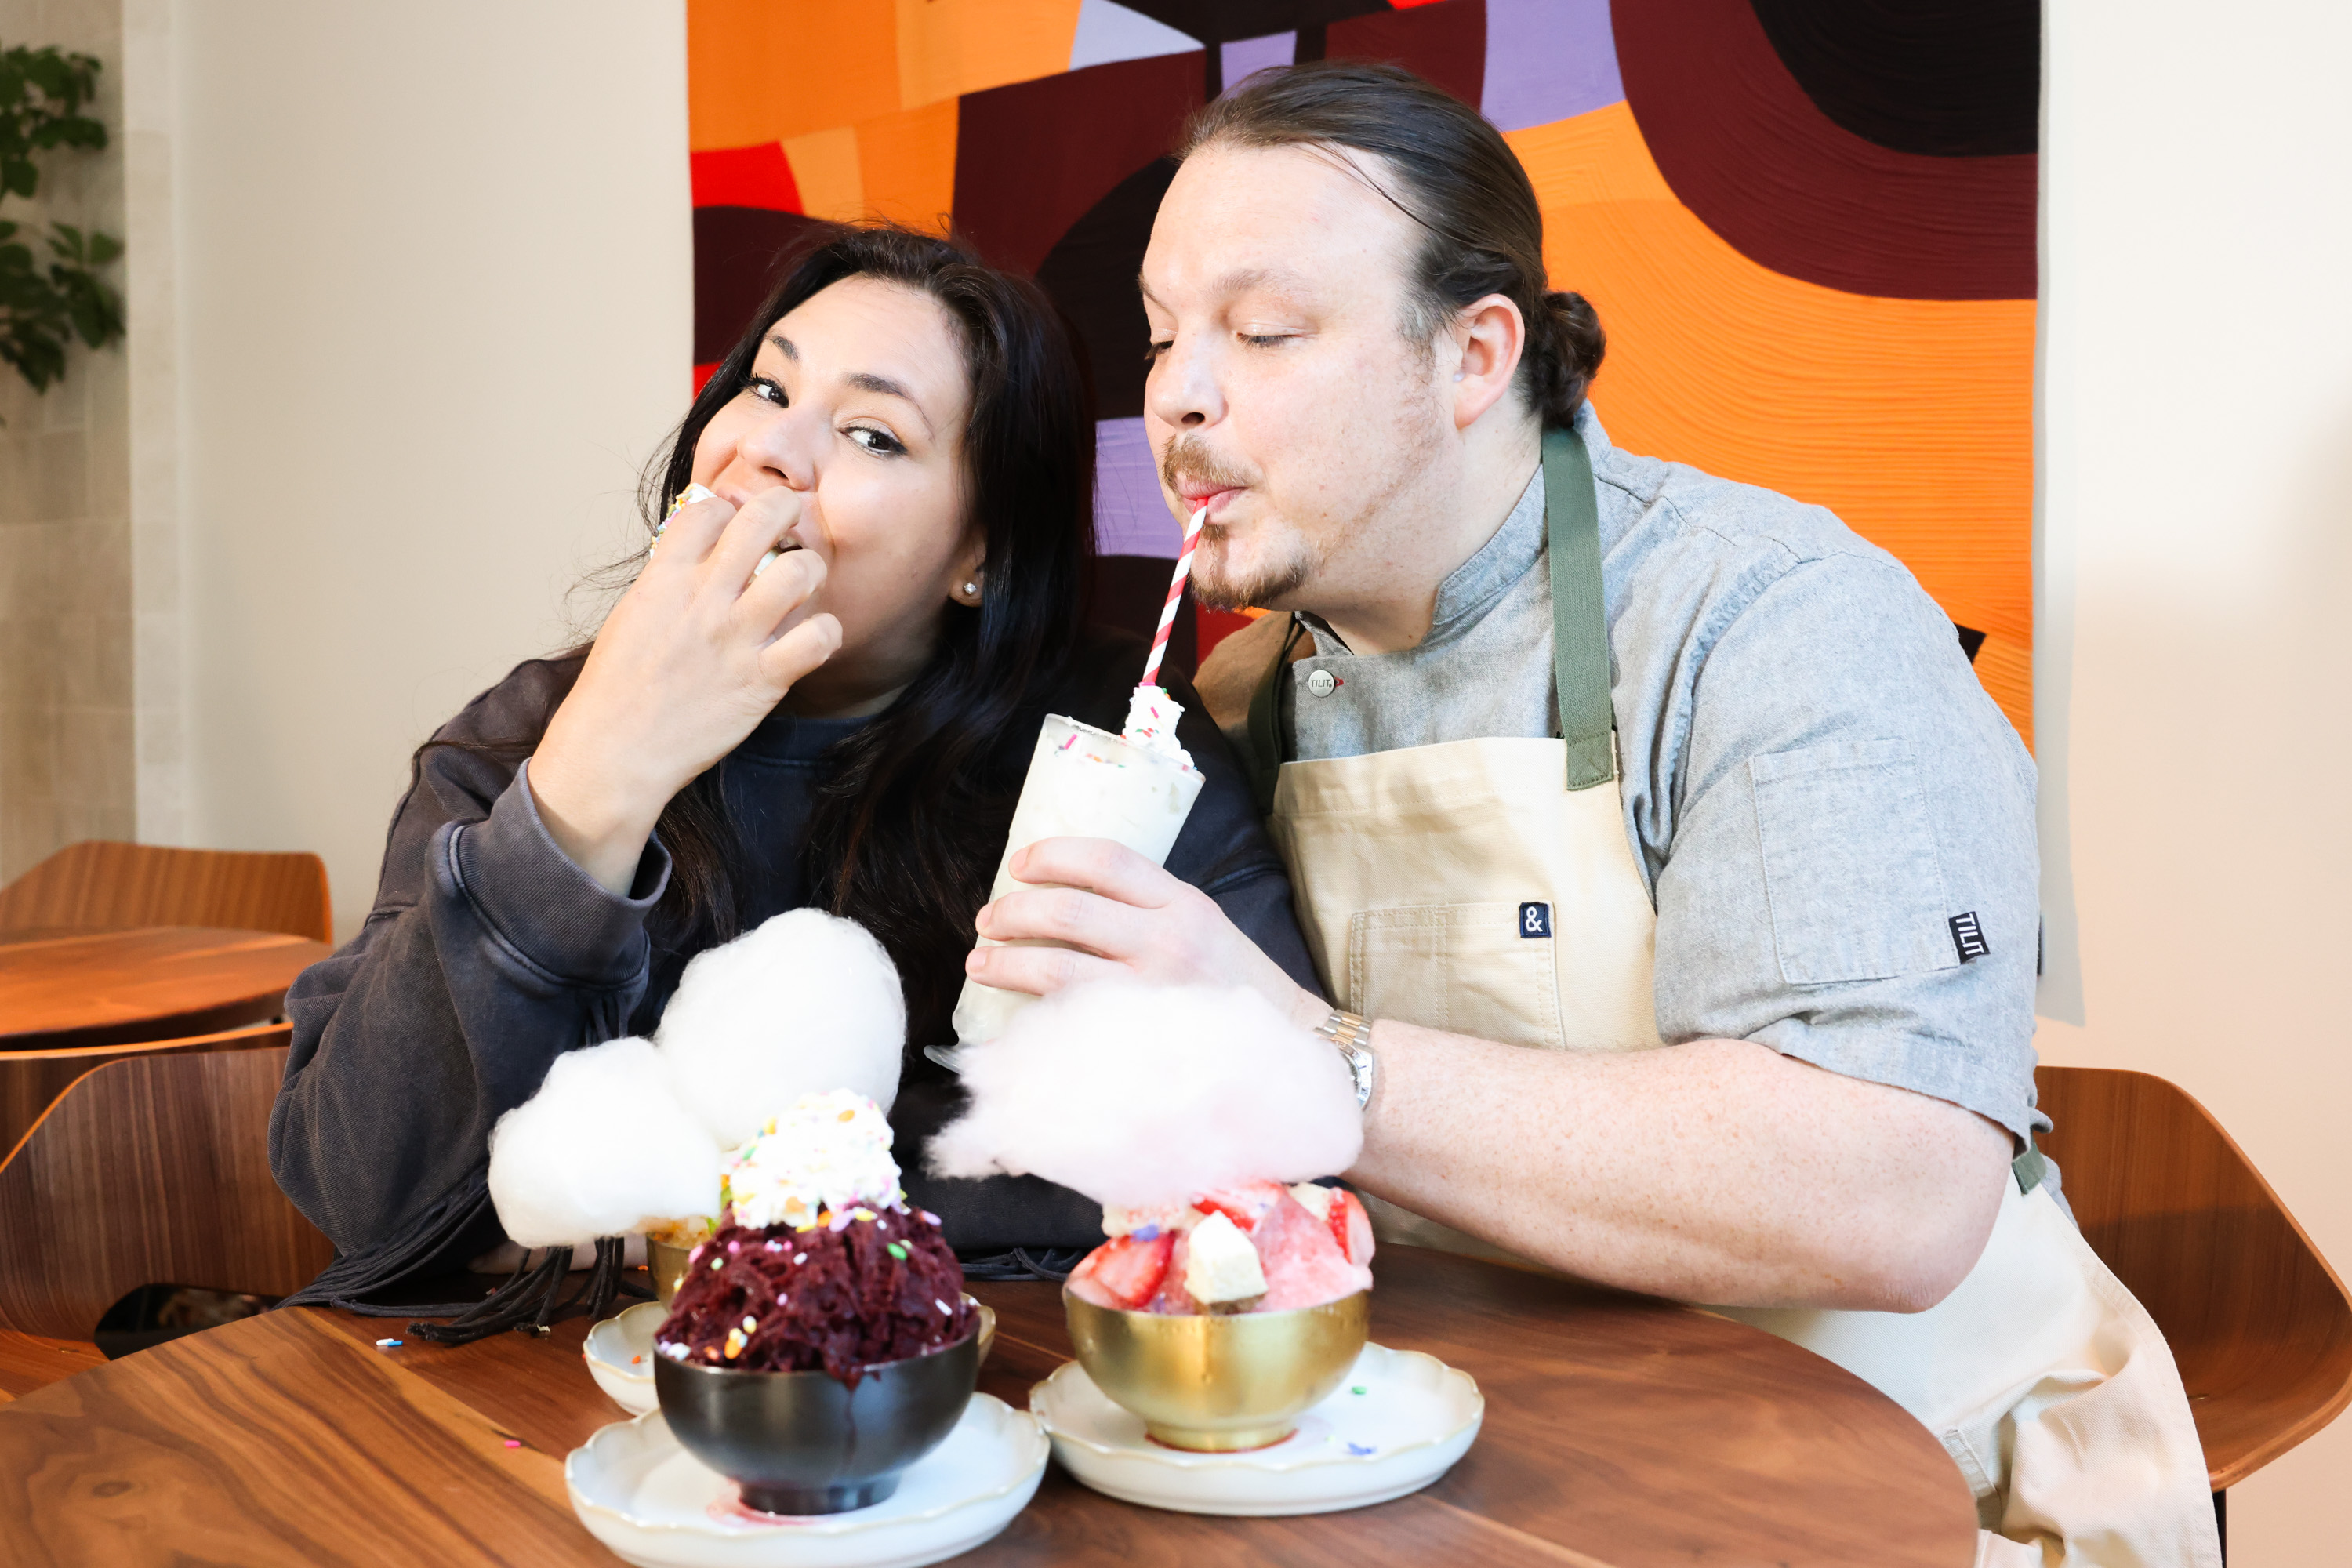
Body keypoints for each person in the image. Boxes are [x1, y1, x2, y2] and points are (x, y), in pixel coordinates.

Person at [960, 62, 2219, 1566]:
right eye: (1164, 336)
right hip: (1505, 1464)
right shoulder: (1237, 706)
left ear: (1476, 352)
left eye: (1265, 331)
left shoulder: (1774, 623)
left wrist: (1303, 1054)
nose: (1177, 393)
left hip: (1921, 1472)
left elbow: (1896, 1197)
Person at [269, 224, 1317, 1301]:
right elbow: (360, 1187)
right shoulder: (530, 733)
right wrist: (595, 779)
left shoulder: (1115, 747)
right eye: (768, 391)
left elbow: (1257, 1126)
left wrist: (679, 1207)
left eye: (872, 435)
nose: (769, 451)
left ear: (980, 551)